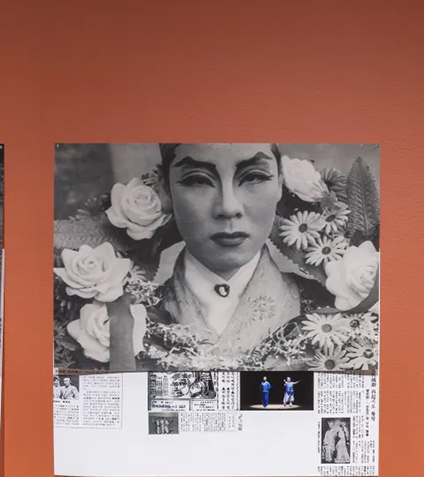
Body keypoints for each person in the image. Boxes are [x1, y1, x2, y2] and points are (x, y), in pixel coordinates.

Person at [119, 144, 335, 368]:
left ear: (280, 183)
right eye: (198, 180)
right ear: (166, 190)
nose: (228, 207)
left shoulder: (335, 313)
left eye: (253, 177)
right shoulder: (120, 323)